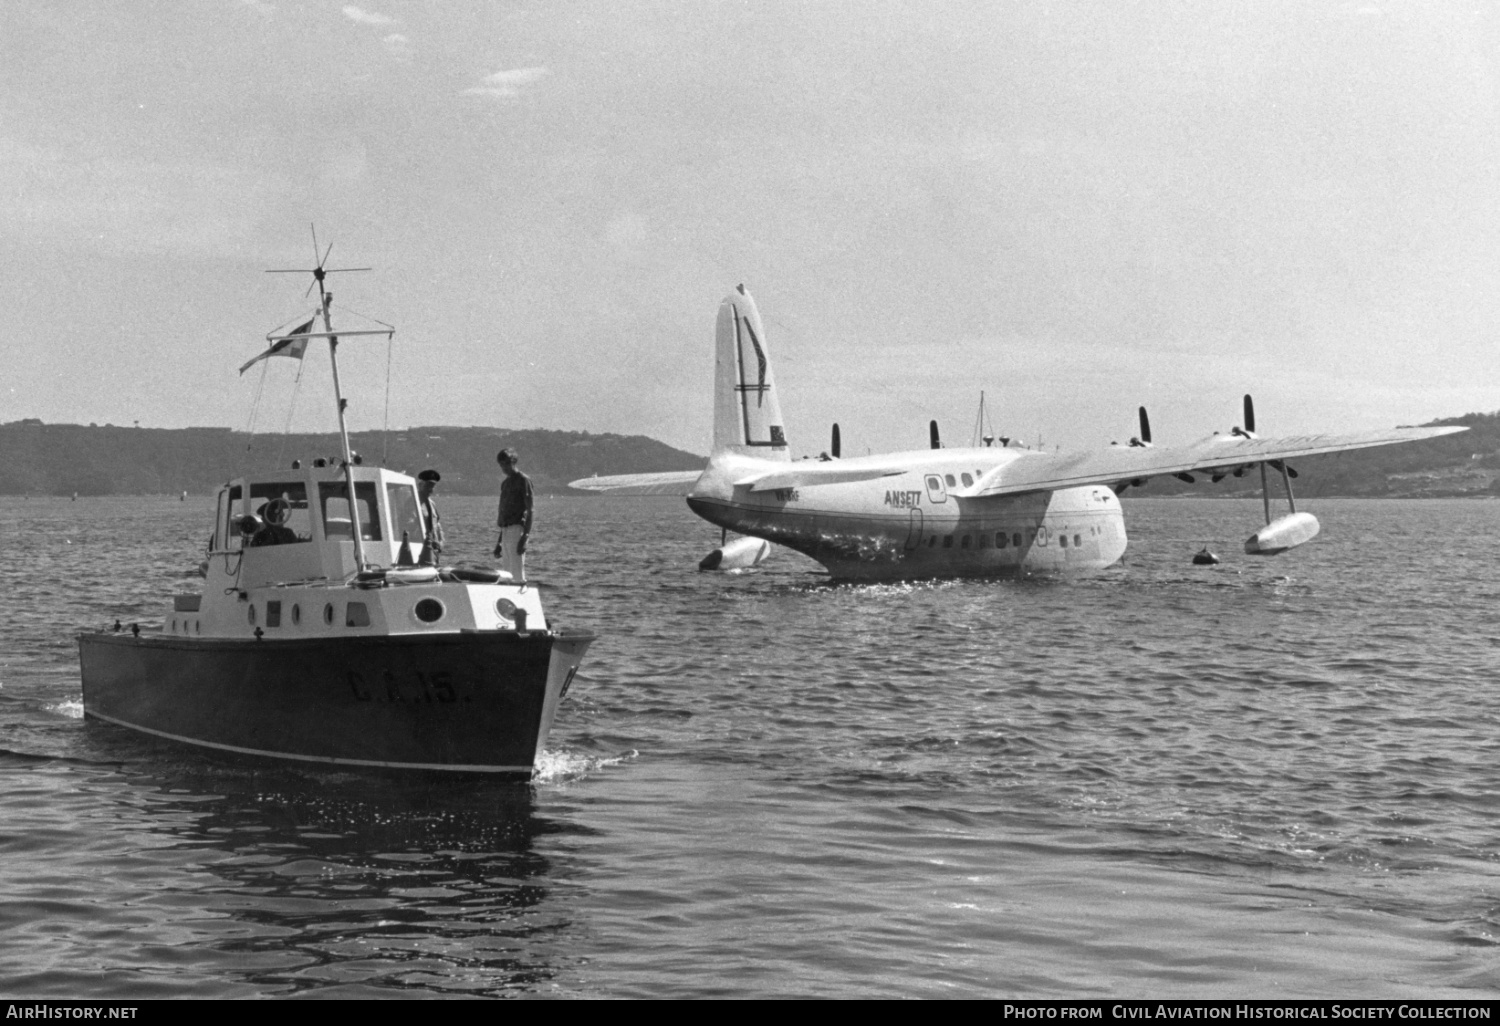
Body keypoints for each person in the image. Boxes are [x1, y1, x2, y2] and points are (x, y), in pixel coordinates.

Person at [494, 448, 533, 580]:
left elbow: (530, 510)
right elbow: (505, 514)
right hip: (505, 531)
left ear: (513, 462)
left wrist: (525, 537)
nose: (503, 467)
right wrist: (499, 542)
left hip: (517, 529)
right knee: (507, 573)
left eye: (506, 463)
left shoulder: (523, 480)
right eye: (501, 464)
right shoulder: (505, 484)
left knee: (517, 571)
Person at [416, 469, 444, 566]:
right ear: (421, 485)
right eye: (428, 486)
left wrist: (441, 542)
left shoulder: (432, 504)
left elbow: (437, 525)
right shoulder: (414, 503)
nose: (431, 489)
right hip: (422, 549)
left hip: (434, 549)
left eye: (432, 486)